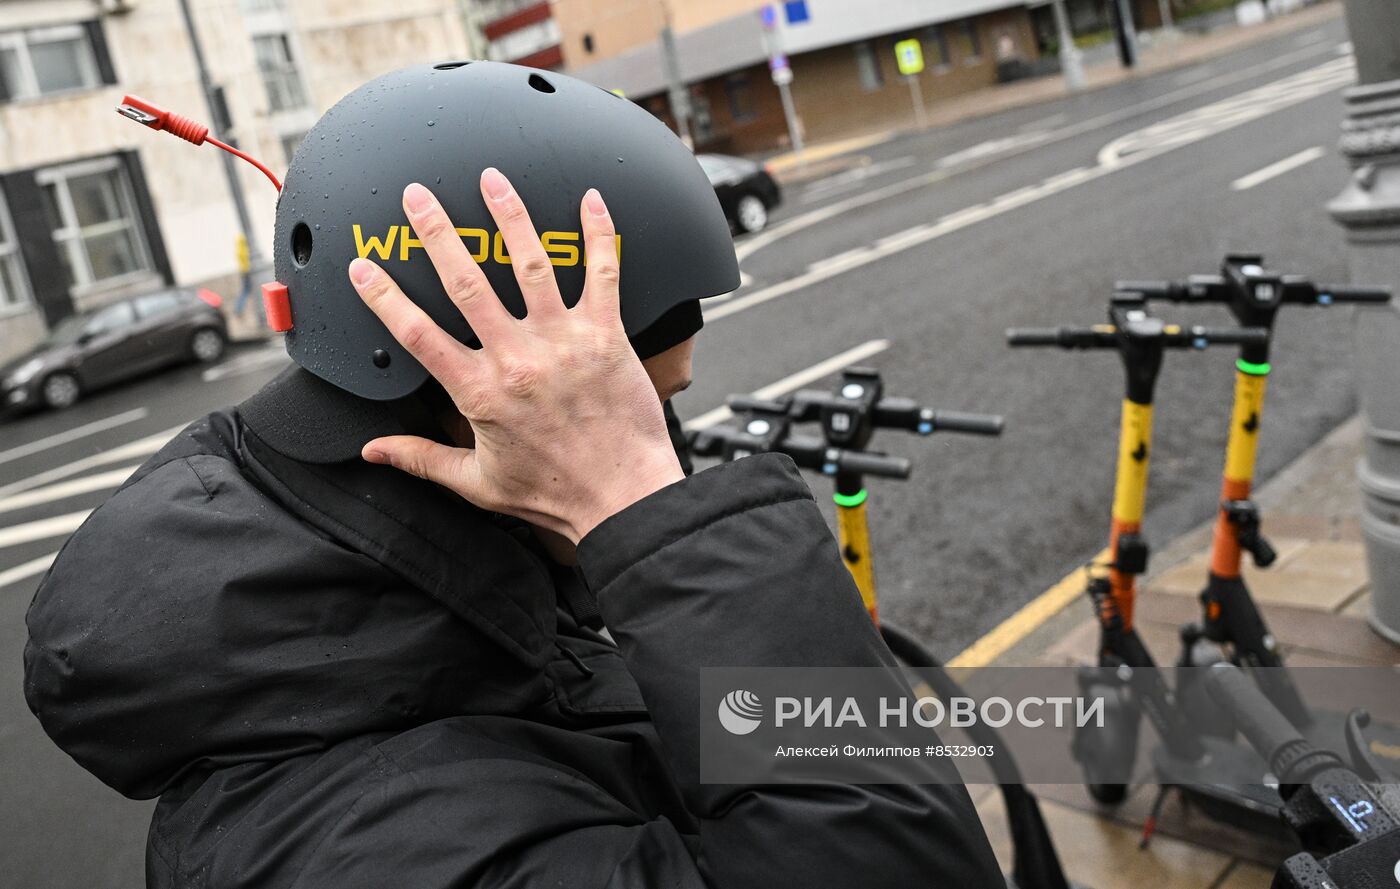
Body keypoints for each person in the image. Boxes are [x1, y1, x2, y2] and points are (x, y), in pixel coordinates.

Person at [24, 62, 1002, 888]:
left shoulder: (430, 606)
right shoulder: (379, 842)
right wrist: (640, 513)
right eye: (624, 406)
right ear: (474, 399)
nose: (653, 444)